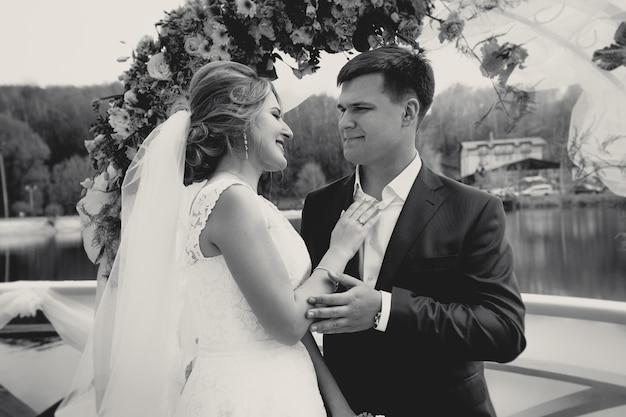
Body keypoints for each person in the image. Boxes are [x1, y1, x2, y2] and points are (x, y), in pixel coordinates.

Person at [56, 61, 380, 417]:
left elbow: (296, 325)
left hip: (286, 387)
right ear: (242, 120)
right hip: (248, 397)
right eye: (275, 114)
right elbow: (288, 324)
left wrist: (338, 406)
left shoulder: (248, 203)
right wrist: (340, 250)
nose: (287, 129)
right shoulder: (230, 200)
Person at [301, 45, 527, 417]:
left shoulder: (473, 209)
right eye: (342, 109)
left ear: (408, 112)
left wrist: (384, 310)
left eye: (361, 109)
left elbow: (504, 332)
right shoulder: (319, 206)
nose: (344, 122)